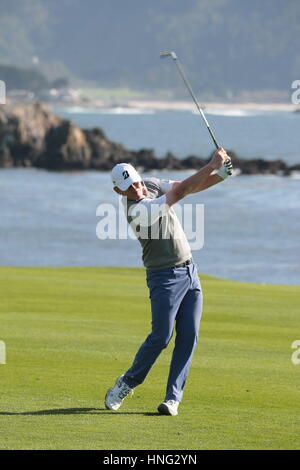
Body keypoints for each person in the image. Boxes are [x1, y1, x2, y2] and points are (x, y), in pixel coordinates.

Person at [105, 148, 232, 416]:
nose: (137, 189)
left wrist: (219, 175)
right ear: (119, 192)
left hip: (190, 272)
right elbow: (180, 192)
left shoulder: (149, 184)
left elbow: (188, 187)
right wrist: (211, 163)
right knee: (161, 337)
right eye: (129, 187)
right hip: (163, 277)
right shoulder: (137, 211)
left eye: (137, 182)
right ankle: (127, 382)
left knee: (189, 336)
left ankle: (172, 398)